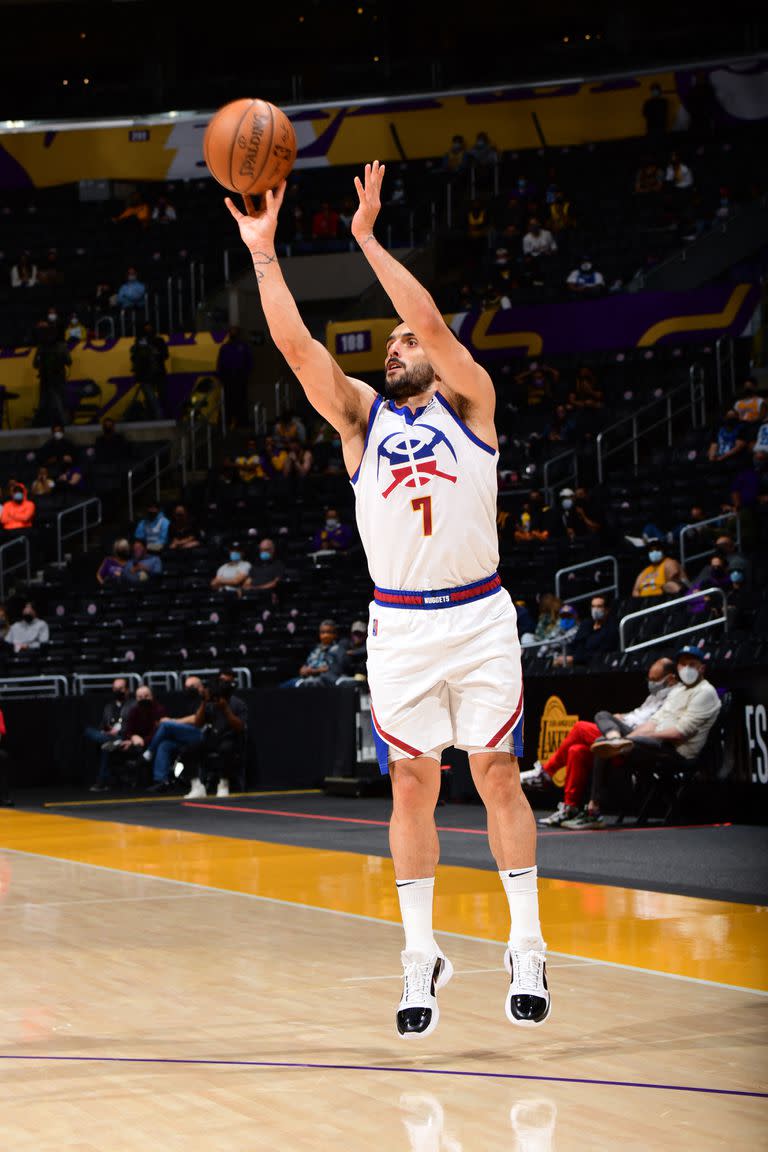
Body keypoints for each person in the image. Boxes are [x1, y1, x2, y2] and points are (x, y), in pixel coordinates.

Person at [225, 159, 549, 1037]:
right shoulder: (361, 422)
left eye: (404, 342)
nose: (397, 347)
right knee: (412, 785)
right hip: (401, 626)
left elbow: (433, 322)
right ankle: (420, 957)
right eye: (392, 344)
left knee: (494, 775)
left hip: (480, 616)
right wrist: (264, 254)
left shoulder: (472, 404)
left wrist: (366, 237)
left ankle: (527, 942)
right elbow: (297, 350)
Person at [521, 657, 678, 827]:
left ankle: (546, 772)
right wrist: (622, 717)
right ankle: (570, 808)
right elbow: (639, 714)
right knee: (577, 750)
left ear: (670, 678)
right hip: (624, 733)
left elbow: (654, 724)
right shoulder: (654, 696)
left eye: (655, 680)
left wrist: (624, 728)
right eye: (649, 679)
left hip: (636, 741)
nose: (651, 683)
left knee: (582, 727)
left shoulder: (676, 696)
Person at [582, 646, 722, 828]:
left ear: (701, 668)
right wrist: (626, 740)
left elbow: (680, 732)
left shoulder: (705, 692)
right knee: (603, 724)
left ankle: (594, 804)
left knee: (604, 741)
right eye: (682, 664)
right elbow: (653, 722)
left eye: (691, 664)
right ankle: (595, 803)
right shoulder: (678, 691)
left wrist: (636, 740)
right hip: (653, 743)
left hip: (675, 750)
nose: (686, 668)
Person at [176, 672, 248, 799]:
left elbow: (239, 727)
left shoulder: (237, 703)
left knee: (226, 748)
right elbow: (198, 723)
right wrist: (204, 703)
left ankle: (223, 784)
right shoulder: (210, 703)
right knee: (188, 749)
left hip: (231, 738)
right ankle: (197, 785)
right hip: (213, 738)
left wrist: (225, 709)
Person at [86, 677, 133, 791]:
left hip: (124, 736)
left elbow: (134, 726)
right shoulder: (109, 707)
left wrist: (120, 732)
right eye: (115, 688)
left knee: (105, 748)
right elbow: (103, 725)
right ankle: (113, 742)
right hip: (108, 736)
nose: (117, 691)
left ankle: (102, 782)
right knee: (89, 731)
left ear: (127, 690)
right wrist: (104, 731)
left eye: (120, 688)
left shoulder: (133, 705)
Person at [280, 618, 344, 688]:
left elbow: (332, 670)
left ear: (335, 634)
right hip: (306, 678)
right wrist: (303, 669)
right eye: (322, 632)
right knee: (283, 687)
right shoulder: (316, 649)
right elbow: (307, 663)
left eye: (328, 632)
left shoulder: (338, 649)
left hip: (323, 680)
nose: (325, 635)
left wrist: (313, 671)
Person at [216, 325, 253, 429]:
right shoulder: (225, 347)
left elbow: (249, 363)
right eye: (231, 332)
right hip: (228, 380)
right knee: (229, 402)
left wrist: (245, 374)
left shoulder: (243, 347)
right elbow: (220, 364)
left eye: (235, 332)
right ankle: (228, 422)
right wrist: (221, 377)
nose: (233, 334)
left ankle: (242, 422)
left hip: (240, 379)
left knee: (241, 401)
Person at [335, 619, 369, 683]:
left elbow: (367, 649)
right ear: (351, 634)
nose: (357, 636)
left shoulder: (368, 644)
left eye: (360, 634)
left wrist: (353, 653)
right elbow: (341, 658)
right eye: (355, 634)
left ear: (365, 635)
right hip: (346, 675)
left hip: (363, 676)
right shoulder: (344, 642)